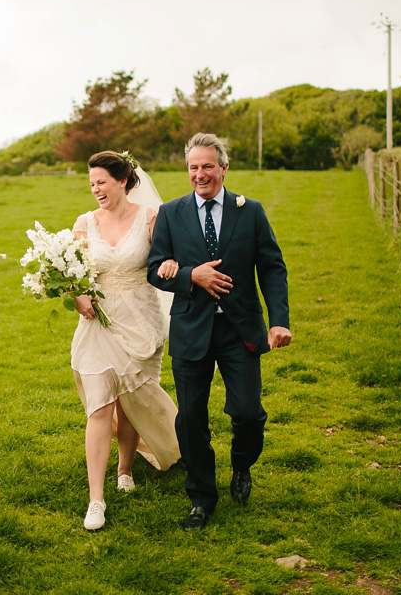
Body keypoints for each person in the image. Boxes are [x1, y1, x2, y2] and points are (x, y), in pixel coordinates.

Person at [146, 132, 291, 531]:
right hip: (192, 328)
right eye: (193, 167)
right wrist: (193, 275)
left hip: (240, 327)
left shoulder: (252, 211)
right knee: (190, 419)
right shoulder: (171, 213)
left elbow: (272, 269)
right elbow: (155, 268)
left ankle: (242, 465)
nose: (200, 174)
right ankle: (201, 498)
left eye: (207, 166)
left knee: (248, 412)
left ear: (224, 168)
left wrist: (279, 320)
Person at [70, 150, 182, 531]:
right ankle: (96, 499)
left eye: (101, 181)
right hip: (98, 321)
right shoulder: (85, 223)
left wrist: (173, 265)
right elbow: (70, 270)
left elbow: (170, 256)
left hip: (141, 321)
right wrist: (76, 294)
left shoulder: (151, 217)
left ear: (122, 180)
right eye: (91, 183)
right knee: (100, 406)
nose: (95, 189)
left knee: (130, 399)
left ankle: (125, 468)